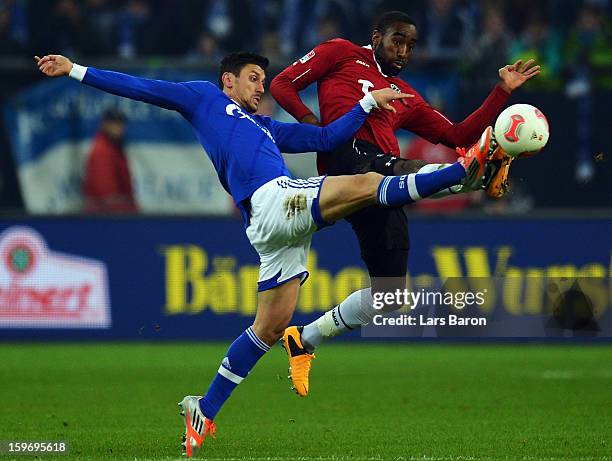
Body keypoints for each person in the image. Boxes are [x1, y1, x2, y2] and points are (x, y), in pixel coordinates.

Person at [36, 51, 492, 457]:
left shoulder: (266, 127)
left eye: (262, 80)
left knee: (270, 327)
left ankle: (205, 409)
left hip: (269, 229)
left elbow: (326, 139)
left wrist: (367, 105)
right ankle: (461, 172)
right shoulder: (204, 98)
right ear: (228, 81)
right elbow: (143, 88)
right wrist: (75, 70)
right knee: (369, 185)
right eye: (254, 78)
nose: (261, 87)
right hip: (274, 200)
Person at [270, 10, 540, 397]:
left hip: (382, 188)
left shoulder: (407, 96)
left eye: (411, 45)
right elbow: (282, 84)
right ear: (376, 36)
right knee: (410, 170)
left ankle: (305, 339)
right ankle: (475, 174)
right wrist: (312, 123)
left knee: (392, 294)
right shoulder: (341, 53)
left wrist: (502, 91)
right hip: (351, 162)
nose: (403, 51)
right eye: (397, 40)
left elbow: (456, 132)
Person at [83, 109, 137, 213]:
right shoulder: (102, 151)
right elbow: (107, 196)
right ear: (104, 125)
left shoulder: (115, 147)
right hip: (104, 217)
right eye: (113, 123)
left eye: (120, 123)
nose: (118, 128)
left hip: (114, 215)